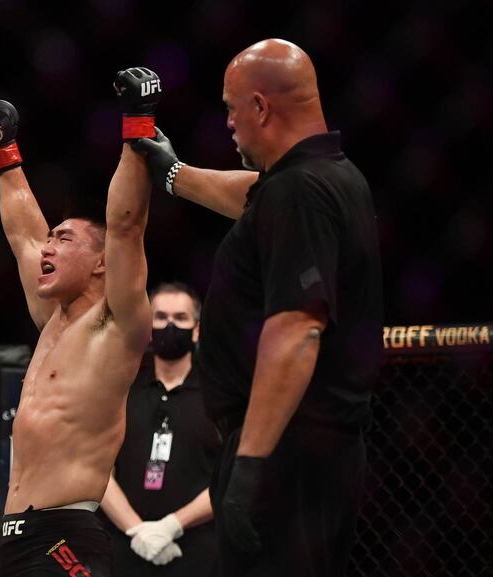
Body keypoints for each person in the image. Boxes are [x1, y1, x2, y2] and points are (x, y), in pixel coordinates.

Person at [132, 39, 383, 577]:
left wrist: (250, 463)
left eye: (230, 107)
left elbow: (298, 332)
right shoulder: (327, 178)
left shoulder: (301, 194)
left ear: (261, 108)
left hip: (284, 454)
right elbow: (253, 197)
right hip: (305, 451)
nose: (226, 123)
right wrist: (175, 174)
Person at [0, 67, 162, 577]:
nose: (48, 247)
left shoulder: (117, 324)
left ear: (101, 263)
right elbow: (21, 233)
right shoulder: (53, 320)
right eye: (51, 238)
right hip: (12, 535)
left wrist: (137, 123)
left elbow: (125, 224)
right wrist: (3, 151)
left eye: (65, 239)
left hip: (64, 537)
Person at [101, 282, 220, 576]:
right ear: (147, 325)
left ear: (197, 330)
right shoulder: (122, 393)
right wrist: (137, 530)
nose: (169, 325)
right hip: (127, 549)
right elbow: (98, 469)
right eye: (161, 317)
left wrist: (172, 526)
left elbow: (231, 478)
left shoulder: (220, 398)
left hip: (198, 553)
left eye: (180, 318)